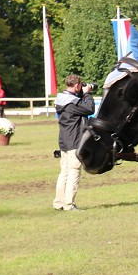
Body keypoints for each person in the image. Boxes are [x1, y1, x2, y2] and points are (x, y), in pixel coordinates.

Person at [54, 74, 95, 211]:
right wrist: (88, 94)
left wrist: (82, 96)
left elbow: (80, 108)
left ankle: (59, 202)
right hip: (74, 141)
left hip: (64, 141)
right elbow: (90, 109)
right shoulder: (72, 103)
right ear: (77, 85)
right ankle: (69, 204)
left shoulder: (61, 100)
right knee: (74, 172)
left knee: (64, 173)